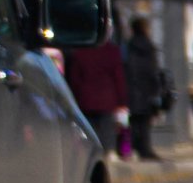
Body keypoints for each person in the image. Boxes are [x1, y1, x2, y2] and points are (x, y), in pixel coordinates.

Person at [64, 33, 128, 158]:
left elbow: (74, 80)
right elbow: (119, 78)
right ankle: (109, 151)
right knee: (107, 129)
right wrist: (122, 101)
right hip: (107, 99)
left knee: (89, 130)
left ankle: (91, 154)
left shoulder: (80, 52)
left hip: (85, 99)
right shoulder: (112, 51)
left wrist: (75, 99)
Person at [124, 16, 163, 161]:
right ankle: (145, 149)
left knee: (133, 122)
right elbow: (153, 71)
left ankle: (132, 149)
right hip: (146, 89)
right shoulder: (149, 47)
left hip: (132, 89)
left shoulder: (128, 46)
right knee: (145, 123)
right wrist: (156, 89)